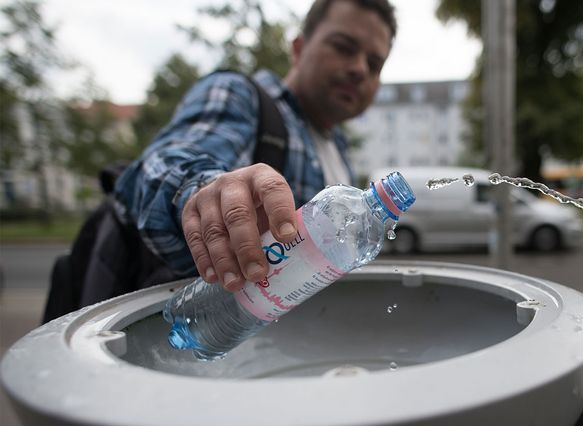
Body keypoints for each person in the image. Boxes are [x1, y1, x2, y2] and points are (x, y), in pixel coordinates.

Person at [114, 0, 396, 294]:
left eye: (374, 64)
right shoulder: (238, 95)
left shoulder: (337, 146)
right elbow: (163, 165)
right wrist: (205, 194)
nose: (360, 69)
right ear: (299, 49)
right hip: (202, 329)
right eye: (343, 47)